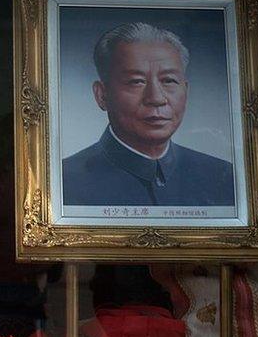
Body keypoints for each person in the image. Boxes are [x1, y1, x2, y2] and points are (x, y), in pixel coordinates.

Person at [62, 22, 235, 206]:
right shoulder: (64, 181)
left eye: (169, 80)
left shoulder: (222, 177)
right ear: (102, 95)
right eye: (136, 81)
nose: (156, 98)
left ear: (186, 91)